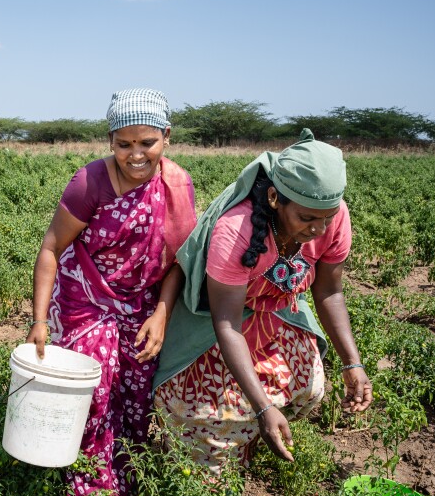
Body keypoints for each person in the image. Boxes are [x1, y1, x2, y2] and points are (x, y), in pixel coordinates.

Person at [153, 129, 373, 473]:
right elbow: (226, 325)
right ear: (274, 198)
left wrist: (352, 362)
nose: (319, 229)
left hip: (275, 312)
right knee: (212, 413)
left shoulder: (332, 216)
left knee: (308, 387)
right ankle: (198, 470)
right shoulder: (236, 230)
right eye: (307, 218)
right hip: (216, 325)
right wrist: (261, 406)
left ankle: (253, 439)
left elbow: (329, 291)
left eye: (327, 217)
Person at [25, 88, 197, 496]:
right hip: (86, 298)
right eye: (124, 144)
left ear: (167, 136)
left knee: (136, 390)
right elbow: (50, 249)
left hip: (142, 302)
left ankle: (127, 477)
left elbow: (179, 261)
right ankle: (89, 492)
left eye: (147, 143)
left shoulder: (176, 184)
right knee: (95, 390)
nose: (136, 155)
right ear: (110, 141)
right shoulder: (90, 182)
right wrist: (39, 320)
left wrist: (161, 313)